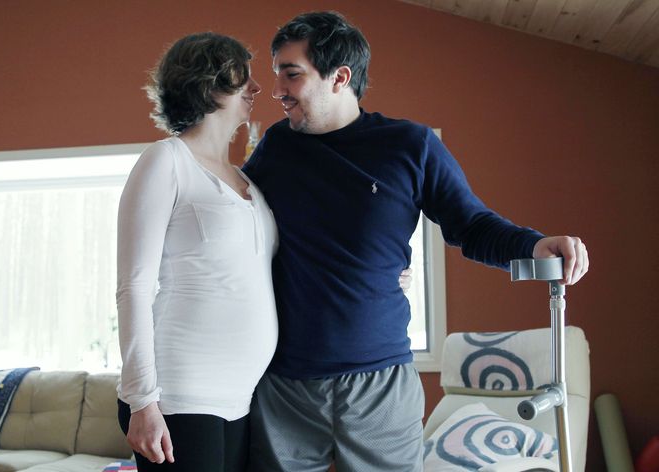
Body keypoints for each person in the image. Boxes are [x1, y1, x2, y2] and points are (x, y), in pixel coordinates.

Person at [243, 11, 589, 472]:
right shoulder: (276, 148)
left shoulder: (411, 146)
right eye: (277, 74)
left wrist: (533, 245)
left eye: (292, 74)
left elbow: (471, 224)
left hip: (380, 385)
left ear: (339, 77)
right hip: (285, 386)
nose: (278, 89)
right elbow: (235, 229)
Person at [115, 32, 276, 472]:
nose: (258, 90)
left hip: (241, 396)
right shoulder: (166, 161)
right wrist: (142, 401)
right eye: (244, 79)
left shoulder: (246, 179)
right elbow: (133, 287)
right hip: (179, 393)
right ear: (208, 85)